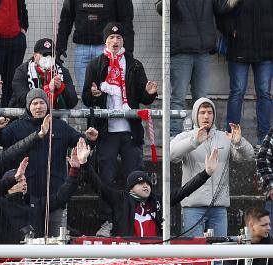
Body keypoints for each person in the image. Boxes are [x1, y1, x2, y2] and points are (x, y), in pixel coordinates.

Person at [0, 88, 91, 234]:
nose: (38, 107)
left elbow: (80, 142)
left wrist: (90, 139)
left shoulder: (60, 126)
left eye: (42, 103)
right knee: (31, 238)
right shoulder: (17, 126)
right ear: (28, 106)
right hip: (28, 198)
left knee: (55, 239)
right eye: (35, 103)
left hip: (55, 194)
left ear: (47, 105)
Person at [79, 139, 218, 237]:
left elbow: (184, 190)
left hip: (153, 258)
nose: (146, 186)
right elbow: (99, 186)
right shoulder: (120, 200)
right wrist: (84, 163)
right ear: (131, 188)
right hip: (127, 257)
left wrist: (206, 173)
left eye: (148, 184)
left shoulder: (157, 201)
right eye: (140, 184)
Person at [82, 23, 158, 189]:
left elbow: (144, 99)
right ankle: (107, 207)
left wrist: (150, 93)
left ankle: (135, 207)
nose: (115, 41)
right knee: (106, 178)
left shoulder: (134, 65)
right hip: (105, 132)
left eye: (118, 37)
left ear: (123, 40)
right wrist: (94, 95)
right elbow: (86, 98)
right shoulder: (94, 65)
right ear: (105, 41)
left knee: (135, 177)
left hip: (130, 131)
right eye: (111, 37)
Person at [171, 98, 255, 240]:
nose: (206, 116)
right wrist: (194, 141)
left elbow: (248, 155)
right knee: (194, 251)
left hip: (219, 207)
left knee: (219, 251)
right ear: (195, 115)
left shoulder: (224, 137)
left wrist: (239, 142)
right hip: (193, 207)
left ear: (214, 116)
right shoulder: (186, 136)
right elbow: (171, 155)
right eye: (202, 112)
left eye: (210, 112)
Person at [156, 0, 221, 136]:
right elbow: (161, 8)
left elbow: (221, 8)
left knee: (201, 99)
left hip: (203, 51)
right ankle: (173, 137)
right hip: (181, 52)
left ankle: (201, 135)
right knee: (178, 98)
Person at [217, 0, 273, 144]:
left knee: (264, 94)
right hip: (239, 49)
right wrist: (232, 31)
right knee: (237, 92)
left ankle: (264, 142)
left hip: (266, 50)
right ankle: (231, 139)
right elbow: (220, 12)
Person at [56, 0, 134, 89]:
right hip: (82, 49)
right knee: (84, 90)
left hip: (106, 48)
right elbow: (66, 19)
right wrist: (60, 46)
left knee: (107, 89)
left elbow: (126, 21)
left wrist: (128, 49)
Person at [10, 38, 78, 110]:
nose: (48, 58)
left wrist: (61, 87)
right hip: (28, 114)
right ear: (35, 56)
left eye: (51, 55)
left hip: (56, 115)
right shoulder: (22, 71)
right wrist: (47, 90)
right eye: (45, 55)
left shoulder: (63, 71)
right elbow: (21, 98)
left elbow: (73, 102)